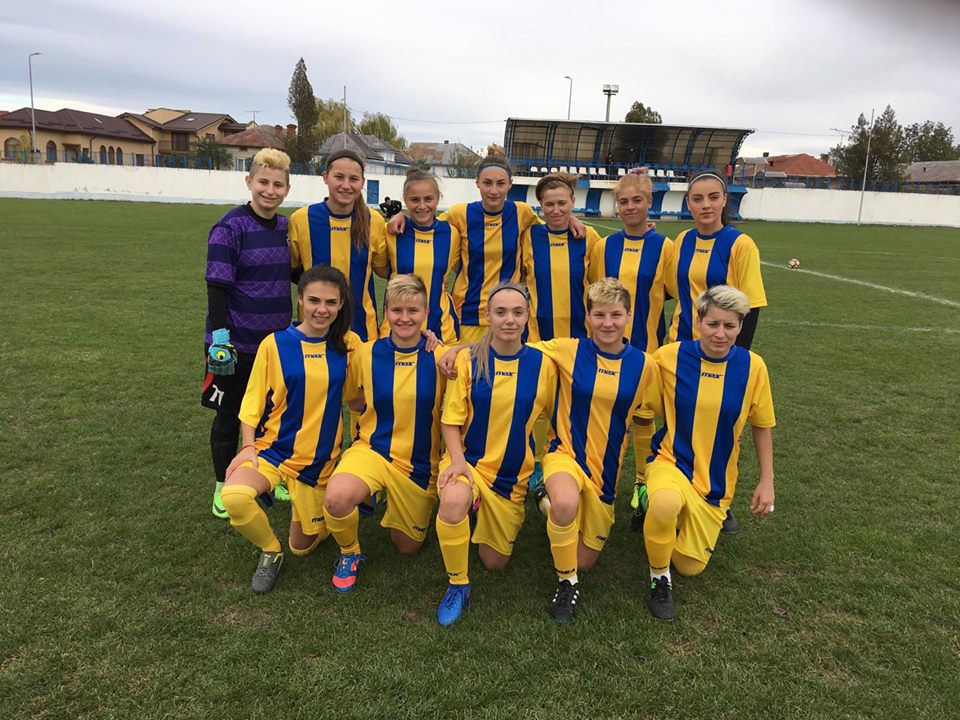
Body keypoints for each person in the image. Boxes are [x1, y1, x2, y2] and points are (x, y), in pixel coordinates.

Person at [220, 265, 358, 593]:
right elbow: (252, 402)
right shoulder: (275, 344)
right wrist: (248, 447)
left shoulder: (349, 344)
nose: (321, 309)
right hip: (273, 449)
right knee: (234, 497)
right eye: (314, 300)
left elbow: (360, 394)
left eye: (330, 302)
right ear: (300, 299)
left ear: (341, 304)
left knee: (303, 546)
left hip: (319, 461)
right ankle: (270, 550)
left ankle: (314, 515)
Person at [534, 278, 663, 622]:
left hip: (605, 475)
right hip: (565, 455)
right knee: (566, 504)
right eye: (600, 315)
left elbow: (652, 417)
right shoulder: (566, 350)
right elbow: (511, 347)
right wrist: (457, 351)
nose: (608, 323)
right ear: (588, 317)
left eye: (616, 315)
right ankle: (566, 584)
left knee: (583, 559)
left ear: (629, 316)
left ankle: (545, 503)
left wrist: (644, 474)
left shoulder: (645, 365)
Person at [644, 285, 776, 621]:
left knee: (690, 566)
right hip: (671, 461)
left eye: (729, 325)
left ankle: (671, 521)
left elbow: (762, 425)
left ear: (741, 327)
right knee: (664, 504)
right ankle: (659, 578)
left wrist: (766, 481)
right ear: (699, 322)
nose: (720, 333)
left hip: (716, 481)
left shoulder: (753, 367)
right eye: (713, 324)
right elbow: (635, 390)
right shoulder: (668, 357)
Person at [434, 283, 557, 626]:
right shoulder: (468, 360)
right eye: (500, 312)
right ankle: (458, 584)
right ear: (488, 315)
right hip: (469, 462)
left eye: (517, 312)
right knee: (453, 500)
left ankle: (493, 505)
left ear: (528, 316)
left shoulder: (543, 364)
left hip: (511, 475)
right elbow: (449, 421)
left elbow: (556, 417)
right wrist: (458, 462)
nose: (509, 320)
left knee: (495, 562)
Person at [322, 275, 449, 592]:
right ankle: (350, 552)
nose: (404, 318)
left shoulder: (442, 357)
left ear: (426, 313)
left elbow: (487, 351)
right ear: (386, 312)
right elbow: (353, 398)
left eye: (413, 310)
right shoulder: (365, 354)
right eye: (396, 310)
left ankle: (377, 495)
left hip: (419, 465)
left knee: (406, 547)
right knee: (336, 499)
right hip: (373, 449)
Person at [388, 146, 585, 344]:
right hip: (468, 314)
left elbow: (552, 223)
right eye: (487, 183)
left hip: (509, 316)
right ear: (477, 182)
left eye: (501, 183)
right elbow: (425, 219)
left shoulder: (522, 212)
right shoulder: (460, 214)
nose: (494, 190)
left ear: (510, 184)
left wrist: (571, 219)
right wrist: (402, 216)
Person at [668, 171, 768, 533]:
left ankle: (719, 503)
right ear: (688, 203)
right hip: (680, 347)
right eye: (697, 198)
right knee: (678, 426)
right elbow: (672, 290)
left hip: (720, 352)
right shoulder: (682, 240)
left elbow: (750, 308)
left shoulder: (740, 244)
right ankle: (673, 493)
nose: (705, 205)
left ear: (725, 200)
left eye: (713, 197)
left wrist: (735, 359)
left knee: (721, 429)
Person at [202, 148, 294, 519]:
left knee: (273, 416)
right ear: (249, 181)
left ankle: (269, 475)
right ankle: (222, 486)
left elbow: (295, 274)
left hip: (275, 345)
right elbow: (216, 286)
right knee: (229, 416)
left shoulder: (286, 228)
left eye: (277, 185)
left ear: (287, 189)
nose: (270, 191)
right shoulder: (229, 227)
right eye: (263, 182)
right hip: (234, 344)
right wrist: (220, 339)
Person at [587, 172, 674, 527]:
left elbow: (673, 292)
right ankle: (597, 482)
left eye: (637, 200)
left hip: (647, 348)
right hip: (606, 349)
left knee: (643, 416)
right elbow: (595, 293)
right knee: (605, 417)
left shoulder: (666, 247)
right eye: (623, 201)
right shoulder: (604, 247)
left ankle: (641, 484)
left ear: (650, 202)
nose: (630, 207)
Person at [289, 149, 389, 342]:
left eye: (353, 179)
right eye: (339, 177)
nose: (346, 185)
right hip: (312, 329)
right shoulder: (301, 219)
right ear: (325, 177)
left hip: (362, 331)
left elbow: (384, 270)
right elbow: (290, 268)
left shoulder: (374, 221)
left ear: (362, 182)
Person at [382, 169, 461, 343]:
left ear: (438, 198)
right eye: (415, 200)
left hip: (441, 328)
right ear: (405, 200)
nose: (422, 206)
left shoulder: (452, 234)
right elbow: (380, 269)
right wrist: (400, 215)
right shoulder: (392, 231)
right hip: (396, 327)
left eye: (428, 199)